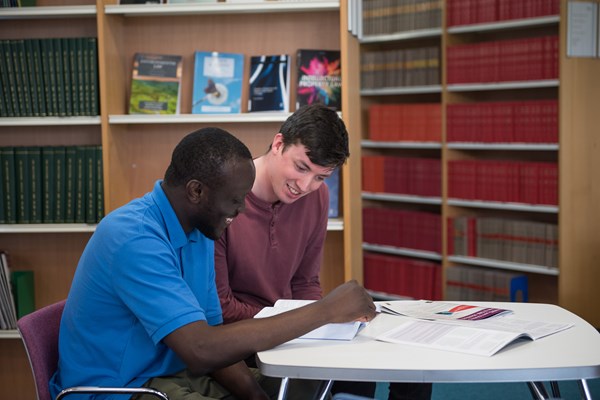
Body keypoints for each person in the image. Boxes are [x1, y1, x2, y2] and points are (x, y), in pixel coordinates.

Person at [48, 127, 377, 400]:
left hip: (172, 374)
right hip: (120, 389)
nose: (242, 211)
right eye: (235, 201)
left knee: (310, 386)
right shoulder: (133, 238)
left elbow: (213, 334)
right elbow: (200, 349)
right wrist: (326, 311)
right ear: (196, 192)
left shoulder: (199, 229)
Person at [214, 104, 432, 400]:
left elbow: (305, 282)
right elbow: (222, 309)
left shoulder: (317, 197)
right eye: (301, 167)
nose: (304, 186)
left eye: (320, 176)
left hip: (294, 330)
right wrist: (309, 319)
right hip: (245, 340)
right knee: (349, 371)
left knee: (397, 357)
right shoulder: (224, 200)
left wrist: (320, 321)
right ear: (278, 144)